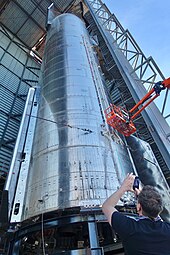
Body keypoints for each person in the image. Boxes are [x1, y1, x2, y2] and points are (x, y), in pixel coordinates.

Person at [102, 173, 170, 255]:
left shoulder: (130, 228)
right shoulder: (167, 229)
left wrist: (123, 188)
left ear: (138, 207)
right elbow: (156, 216)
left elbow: (107, 206)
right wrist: (144, 200)